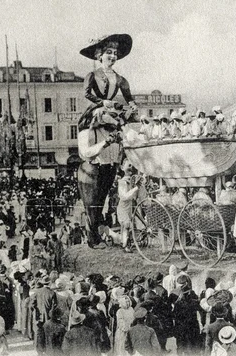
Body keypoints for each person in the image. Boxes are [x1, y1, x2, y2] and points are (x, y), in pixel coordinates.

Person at [77, 34, 137, 249]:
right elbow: (87, 95)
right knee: (100, 118)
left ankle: (118, 151)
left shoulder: (120, 79)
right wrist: (102, 102)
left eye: (114, 53)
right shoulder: (92, 75)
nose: (112, 56)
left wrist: (132, 106)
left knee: (126, 123)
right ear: (99, 56)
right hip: (100, 107)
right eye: (108, 53)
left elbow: (129, 98)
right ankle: (93, 236)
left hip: (113, 109)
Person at [117, 160, 143, 252]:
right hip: (123, 207)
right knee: (126, 225)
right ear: (122, 168)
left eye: (132, 166)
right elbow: (124, 196)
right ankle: (125, 246)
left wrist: (138, 186)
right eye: (128, 165)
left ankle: (125, 242)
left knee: (128, 226)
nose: (130, 168)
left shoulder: (132, 181)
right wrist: (136, 188)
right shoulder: (122, 182)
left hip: (129, 207)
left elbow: (135, 196)